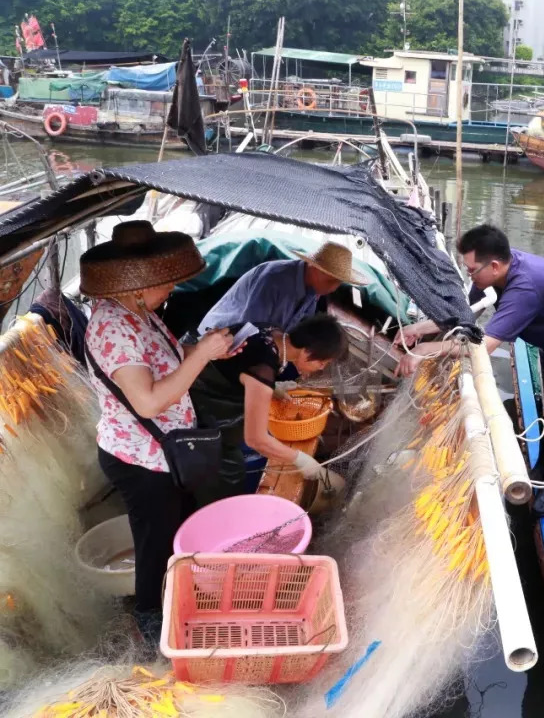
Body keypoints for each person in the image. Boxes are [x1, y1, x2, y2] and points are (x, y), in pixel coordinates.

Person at [81, 221, 236, 641]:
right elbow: (147, 401)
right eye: (167, 283)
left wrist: (209, 351)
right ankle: (150, 621)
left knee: (179, 527)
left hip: (163, 450)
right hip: (139, 458)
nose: (172, 289)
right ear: (137, 287)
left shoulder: (140, 314)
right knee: (156, 544)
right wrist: (201, 356)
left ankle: (182, 596)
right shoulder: (112, 327)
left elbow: (169, 357)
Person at [395, 224, 544, 513]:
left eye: (472, 271)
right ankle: (540, 467)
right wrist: (418, 329)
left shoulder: (524, 289)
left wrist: (425, 351)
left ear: (494, 265)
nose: (470, 276)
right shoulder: (491, 277)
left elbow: (481, 345)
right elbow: (464, 315)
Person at [187, 313, 347, 506]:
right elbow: (256, 439)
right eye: (322, 363)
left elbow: (236, 367)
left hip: (204, 390)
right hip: (200, 410)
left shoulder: (270, 329)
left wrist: (272, 388)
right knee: (227, 480)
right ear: (306, 352)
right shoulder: (262, 367)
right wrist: (302, 461)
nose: (321, 368)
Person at [197, 242, 370, 335]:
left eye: (339, 282)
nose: (334, 287)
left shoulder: (313, 291)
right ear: (315, 268)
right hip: (220, 339)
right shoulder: (273, 279)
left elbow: (296, 331)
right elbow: (252, 331)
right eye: (331, 279)